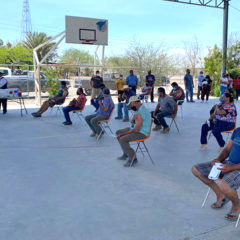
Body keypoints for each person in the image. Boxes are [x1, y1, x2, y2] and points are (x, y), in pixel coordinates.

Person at [192, 127, 240, 221]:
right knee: (196, 170)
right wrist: (218, 160)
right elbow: (226, 150)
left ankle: (237, 205)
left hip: (237, 169)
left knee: (224, 186)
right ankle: (221, 195)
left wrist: (230, 168)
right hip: (228, 164)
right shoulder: (238, 131)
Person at [116, 96, 152, 167]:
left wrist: (124, 134)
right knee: (118, 132)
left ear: (135, 103)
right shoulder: (139, 109)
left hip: (141, 133)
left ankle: (133, 159)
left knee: (122, 139)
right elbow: (135, 118)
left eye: (131, 104)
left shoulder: (142, 112)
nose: (130, 106)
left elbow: (136, 130)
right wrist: (133, 119)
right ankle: (126, 153)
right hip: (136, 129)